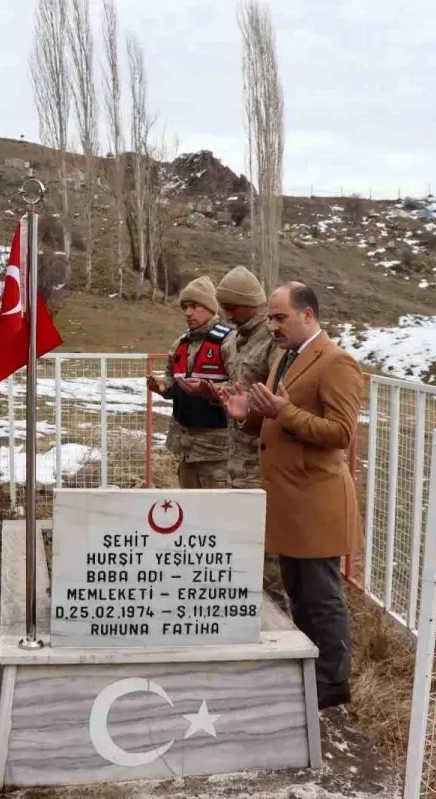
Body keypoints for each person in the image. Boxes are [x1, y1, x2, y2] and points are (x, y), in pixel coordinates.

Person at [220, 281, 364, 711]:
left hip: (315, 499)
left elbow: (341, 433)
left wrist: (284, 412)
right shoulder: (285, 356)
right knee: (299, 594)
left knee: (322, 596)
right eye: (270, 317)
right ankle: (309, 672)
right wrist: (247, 417)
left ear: (307, 315)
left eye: (280, 317)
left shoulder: (337, 363)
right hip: (287, 498)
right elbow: (273, 420)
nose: (273, 325)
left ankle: (333, 683)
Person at [146, 275, 235, 489]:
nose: (188, 313)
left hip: (216, 451)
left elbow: (242, 386)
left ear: (211, 308)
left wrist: (212, 391)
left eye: (195, 306)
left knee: (216, 515)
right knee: (190, 513)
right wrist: (163, 386)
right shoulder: (180, 343)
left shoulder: (229, 341)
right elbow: (171, 378)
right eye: (185, 306)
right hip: (184, 448)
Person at [214, 266, 278, 489]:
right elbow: (237, 383)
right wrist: (214, 390)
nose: (228, 316)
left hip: (260, 465)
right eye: (224, 308)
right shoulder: (231, 341)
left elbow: (282, 399)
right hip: (233, 459)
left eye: (232, 308)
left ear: (252, 304)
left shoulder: (274, 341)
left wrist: (249, 402)